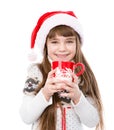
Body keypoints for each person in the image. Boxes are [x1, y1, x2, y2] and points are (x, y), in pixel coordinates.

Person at [19, 11, 104, 130]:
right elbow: (26, 117)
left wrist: (78, 97)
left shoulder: (82, 75)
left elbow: (92, 121)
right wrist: (45, 93)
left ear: (77, 44)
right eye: (54, 42)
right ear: (46, 46)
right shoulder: (36, 73)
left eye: (69, 41)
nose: (62, 48)